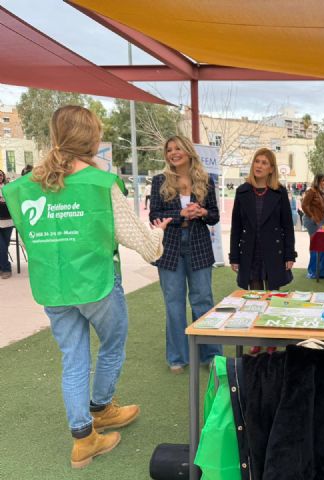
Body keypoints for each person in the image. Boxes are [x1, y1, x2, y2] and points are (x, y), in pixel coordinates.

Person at [2, 105, 170, 468]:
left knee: (73, 357)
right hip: (97, 283)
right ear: (91, 138)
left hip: (52, 285)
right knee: (113, 343)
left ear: (55, 135)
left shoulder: (23, 188)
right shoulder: (100, 183)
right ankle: (102, 407)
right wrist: (159, 234)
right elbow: (145, 245)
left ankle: (83, 438)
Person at [149, 135, 222, 374]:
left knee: (203, 302)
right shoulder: (160, 180)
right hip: (169, 248)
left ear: (188, 152)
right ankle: (177, 357)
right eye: (169, 150)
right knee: (174, 304)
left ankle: (210, 355)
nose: (173, 153)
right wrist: (182, 214)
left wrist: (201, 211)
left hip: (199, 245)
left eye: (178, 148)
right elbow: (154, 216)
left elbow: (214, 215)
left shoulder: (205, 180)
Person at [230, 148, 296, 354]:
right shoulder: (242, 192)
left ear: (271, 169)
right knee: (256, 298)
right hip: (250, 253)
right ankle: (258, 338)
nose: (259, 165)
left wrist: (289, 254)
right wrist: (234, 256)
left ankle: (272, 340)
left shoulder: (279, 192)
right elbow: (236, 227)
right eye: (257, 161)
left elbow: (287, 226)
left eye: (264, 163)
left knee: (274, 297)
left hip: (273, 252)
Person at [0, 169, 13, 279]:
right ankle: (6, 269)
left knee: (5, 245)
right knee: (1, 247)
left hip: (8, 221)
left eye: (1, 174)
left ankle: (2, 266)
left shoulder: (9, 187)